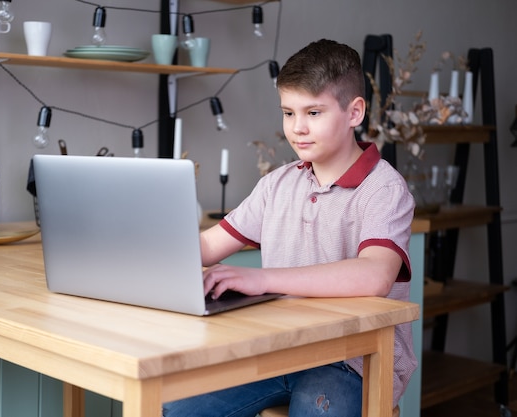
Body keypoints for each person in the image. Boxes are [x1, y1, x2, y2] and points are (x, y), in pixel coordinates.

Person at [163, 39, 417, 417]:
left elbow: (375, 275)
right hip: (278, 350)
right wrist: (137, 238)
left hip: (354, 359)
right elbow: (205, 246)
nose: (297, 128)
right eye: (288, 112)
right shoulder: (277, 184)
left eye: (313, 112)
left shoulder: (384, 188)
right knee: (174, 406)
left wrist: (263, 279)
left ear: (354, 112)